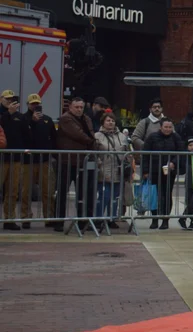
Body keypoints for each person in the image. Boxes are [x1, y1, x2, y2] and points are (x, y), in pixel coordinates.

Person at [55, 97, 97, 231]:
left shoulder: (86, 119)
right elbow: (78, 135)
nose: (79, 110)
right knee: (62, 192)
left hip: (83, 161)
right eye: (76, 107)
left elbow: (90, 133)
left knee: (84, 193)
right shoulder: (65, 118)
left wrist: (92, 142)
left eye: (81, 107)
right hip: (67, 161)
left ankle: (83, 221)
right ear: (70, 107)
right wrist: (91, 141)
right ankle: (58, 222)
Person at [143, 118, 185, 229]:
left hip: (169, 172)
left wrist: (173, 163)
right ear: (161, 127)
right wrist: (145, 171)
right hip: (154, 170)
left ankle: (165, 219)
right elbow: (145, 155)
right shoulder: (152, 137)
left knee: (166, 195)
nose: (168, 129)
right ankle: (154, 218)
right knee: (154, 195)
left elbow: (180, 152)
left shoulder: (176, 137)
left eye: (170, 127)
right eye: (165, 127)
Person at [93, 111, 129, 228]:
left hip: (118, 171)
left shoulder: (122, 136)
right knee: (105, 196)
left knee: (115, 198)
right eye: (108, 120)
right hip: (103, 171)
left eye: (112, 120)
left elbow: (127, 152)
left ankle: (111, 219)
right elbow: (93, 153)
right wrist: (98, 163)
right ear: (103, 122)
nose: (111, 122)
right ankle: (98, 219)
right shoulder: (97, 136)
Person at [1, 90, 31, 230]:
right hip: (1, 158)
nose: (9, 101)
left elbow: (26, 134)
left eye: (11, 99)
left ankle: (9, 219)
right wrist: (9, 114)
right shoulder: (2, 115)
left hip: (16, 158)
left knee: (12, 190)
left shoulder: (21, 117)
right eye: (6, 99)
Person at [26, 94, 57, 225]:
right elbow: (23, 135)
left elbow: (54, 138)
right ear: (28, 105)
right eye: (32, 104)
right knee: (25, 192)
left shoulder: (48, 120)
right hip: (28, 161)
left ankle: (49, 217)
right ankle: (25, 218)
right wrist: (32, 122)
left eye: (37, 104)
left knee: (48, 191)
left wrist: (54, 155)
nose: (35, 106)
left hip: (45, 160)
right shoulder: (23, 119)